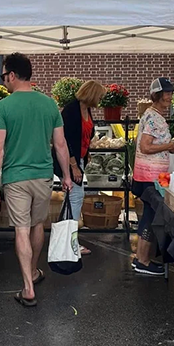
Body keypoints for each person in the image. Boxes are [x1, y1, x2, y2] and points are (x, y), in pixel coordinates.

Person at [0, 52, 72, 307]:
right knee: (37, 225)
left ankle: (27, 287)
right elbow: (60, 144)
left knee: (21, 230)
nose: (4, 81)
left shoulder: (3, 107)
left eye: (4, 76)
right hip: (43, 176)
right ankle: (34, 272)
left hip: (16, 178)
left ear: (12, 75)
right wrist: (67, 176)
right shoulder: (49, 105)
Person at [130, 77, 174, 276]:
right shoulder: (153, 118)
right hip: (151, 177)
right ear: (156, 95)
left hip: (153, 175)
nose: (169, 96)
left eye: (170, 93)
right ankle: (142, 260)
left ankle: (142, 259)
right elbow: (145, 146)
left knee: (150, 216)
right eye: (166, 93)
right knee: (151, 216)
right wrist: (169, 146)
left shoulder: (153, 115)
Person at [53, 80, 107, 255]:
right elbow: (64, 141)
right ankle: (70, 244)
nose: (100, 100)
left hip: (79, 158)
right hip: (67, 161)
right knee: (76, 197)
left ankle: (64, 240)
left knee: (72, 198)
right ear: (91, 95)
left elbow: (85, 135)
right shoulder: (71, 111)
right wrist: (73, 166)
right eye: (99, 96)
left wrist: (86, 153)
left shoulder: (86, 109)